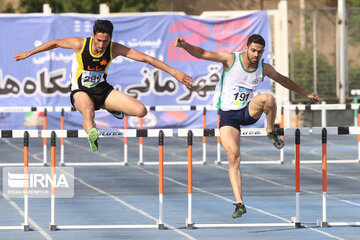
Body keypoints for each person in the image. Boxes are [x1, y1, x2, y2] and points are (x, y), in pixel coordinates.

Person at [175, 34, 319, 218]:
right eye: (253, 50)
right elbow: (203, 53)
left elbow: (283, 80)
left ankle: (270, 131)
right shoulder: (230, 59)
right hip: (229, 116)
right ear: (247, 47)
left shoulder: (264, 68)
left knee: (268, 98)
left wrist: (305, 93)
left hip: (248, 111)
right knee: (233, 157)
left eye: (259, 52)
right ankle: (240, 203)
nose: (256, 55)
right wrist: (185, 45)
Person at [14, 19, 194, 152]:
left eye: (105, 41)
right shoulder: (79, 44)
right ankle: (92, 134)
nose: (101, 45)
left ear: (110, 39)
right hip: (80, 91)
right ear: (93, 36)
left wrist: (175, 72)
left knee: (141, 111)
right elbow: (54, 43)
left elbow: (147, 58)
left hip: (102, 89)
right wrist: (29, 53)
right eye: (98, 40)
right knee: (88, 109)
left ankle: (110, 108)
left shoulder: (114, 49)